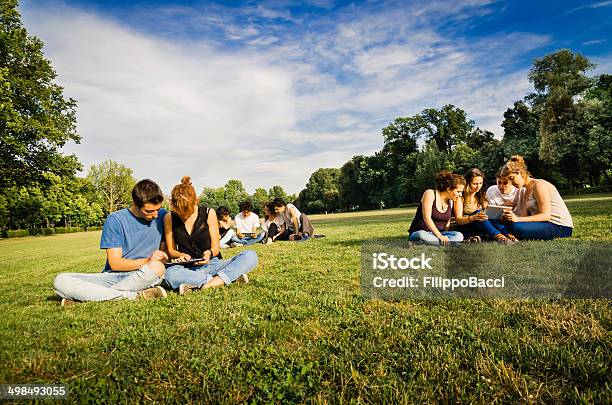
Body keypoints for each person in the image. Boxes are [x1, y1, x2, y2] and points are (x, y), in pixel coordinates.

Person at [54, 180, 169, 305]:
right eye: (149, 211)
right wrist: (147, 260)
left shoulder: (164, 216)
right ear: (135, 203)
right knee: (61, 280)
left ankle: (91, 296)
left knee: (157, 267)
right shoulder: (115, 220)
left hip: (145, 274)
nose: (155, 215)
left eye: (158, 209)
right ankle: (133, 296)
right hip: (113, 276)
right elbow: (116, 264)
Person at [163, 177, 258, 295]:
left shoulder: (209, 213)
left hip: (212, 264)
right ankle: (224, 279)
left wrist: (209, 253)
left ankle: (205, 284)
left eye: (188, 213)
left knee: (250, 255)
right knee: (169, 274)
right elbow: (171, 250)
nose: (184, 217)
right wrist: (181, 255)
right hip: (186, 268)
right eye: (180, 213)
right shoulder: (169, 218)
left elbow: (215, 247)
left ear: (196, 201)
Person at [500, 155, 574, 240]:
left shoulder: (539, 185)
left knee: (516, 227)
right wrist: (509, 216)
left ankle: (507, 233)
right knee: (509, 224)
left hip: (559, 227)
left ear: (520, 172)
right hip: (544, 224)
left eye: (512, 178)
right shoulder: (524, 190)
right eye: (508, 180)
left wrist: (517, 219)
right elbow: (523, 216)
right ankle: (505, 233)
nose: (511, 183)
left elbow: (545, 215)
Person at [453, 168, 517, 244]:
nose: (478, 187)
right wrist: (472, 217)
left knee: (489, 218)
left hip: (479, 226)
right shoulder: (460, 197)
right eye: (475, 184)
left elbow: (488, 213)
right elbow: (458, 220)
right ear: (467, 183)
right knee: (479, 214)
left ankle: (508, 235)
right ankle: (501, 238)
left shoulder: (481, 196)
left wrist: (500, 210)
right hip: (465, 227)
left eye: (480, 183)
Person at [408, 171, 465, 246]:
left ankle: (439, 243)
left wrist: (444, 236)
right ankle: (447, 243)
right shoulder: (430, 194)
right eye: (458, 191)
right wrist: (440, 236)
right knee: (421, 235)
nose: (460, 194)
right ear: (449, 189)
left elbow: (447, 222)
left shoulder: (450, 201)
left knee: (459, 235)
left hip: (438, 234)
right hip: (422, 232)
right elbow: (427, 218)